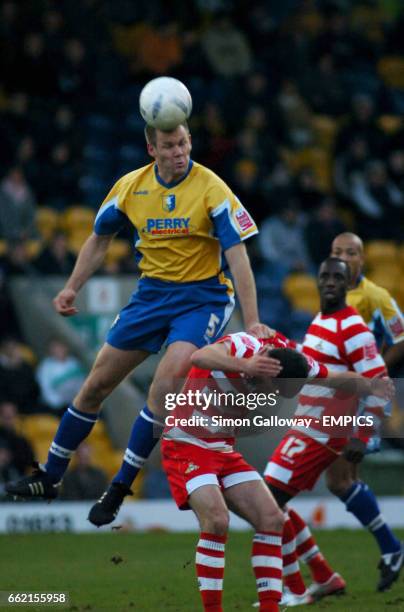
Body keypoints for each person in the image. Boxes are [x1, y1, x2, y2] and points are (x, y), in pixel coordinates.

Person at [6, 121, 268, 521]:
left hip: (203, 299)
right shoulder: (130, 186)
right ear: (152, 149)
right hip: (150, 297)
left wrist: (252, 323)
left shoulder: (212, 187)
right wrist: (72, 286)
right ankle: (51, 475)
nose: (179, 152)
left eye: (183, 143)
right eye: (169, 145)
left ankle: (118, 488)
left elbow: (238, 257)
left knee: (164, 385)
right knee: (95, 385)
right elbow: (99, 238)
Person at [161, 324, 392, 611]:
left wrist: (371, 384)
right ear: (269, 372)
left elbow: (336, 378)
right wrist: (243, 364)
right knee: (217, 521)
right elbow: (200, 357)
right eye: (276, 389)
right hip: (186, 441)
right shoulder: (243, 347)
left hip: (222, 447)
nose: (274, 396)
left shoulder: (297, 363)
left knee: (272, 518)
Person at [264, 257, 403, 601]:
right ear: (316, 281)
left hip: (325, 428)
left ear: (347, 284)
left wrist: (361, 433)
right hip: (308, 422)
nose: (329, 282)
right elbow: (315, 363)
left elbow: (380, 383)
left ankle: (296, 587)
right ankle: (328, 575)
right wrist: (283, 344)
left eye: (336, 278)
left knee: (267, 501)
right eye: (324, 275)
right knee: (305, 491)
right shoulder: (320, 319)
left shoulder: (352, 327)